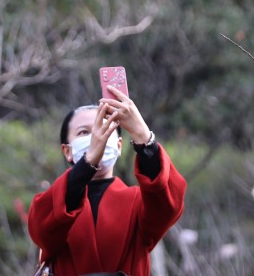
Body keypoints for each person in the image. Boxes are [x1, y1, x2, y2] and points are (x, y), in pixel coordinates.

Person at [28, 86, 187, 276]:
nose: (98, 137)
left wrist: (144, 138)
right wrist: (87, 165)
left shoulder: (139, 201)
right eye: (84, 132)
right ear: (67, 151)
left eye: (106, 129)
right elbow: (41, 231)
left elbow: (168, 203)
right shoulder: (51, 204)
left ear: (119, 146)